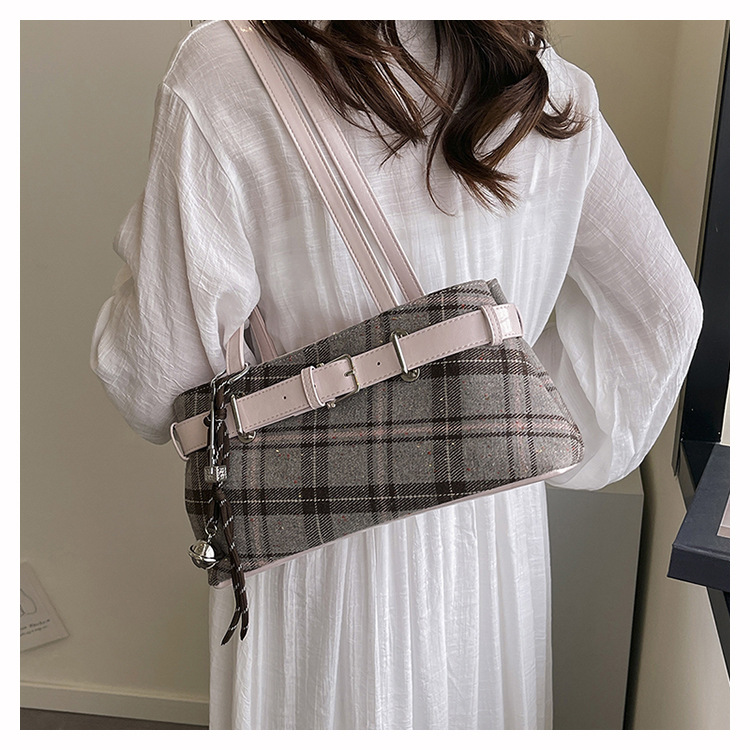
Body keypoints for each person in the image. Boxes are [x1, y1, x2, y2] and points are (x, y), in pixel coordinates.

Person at [90, 20, 702, 730]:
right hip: (494, 535)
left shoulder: (222, 71)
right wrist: (504, 419)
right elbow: (666, 313)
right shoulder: (538, 80)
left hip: (314, 534)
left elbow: (153, 382)